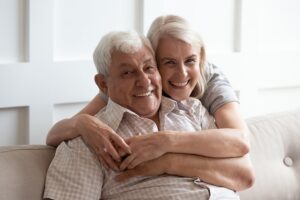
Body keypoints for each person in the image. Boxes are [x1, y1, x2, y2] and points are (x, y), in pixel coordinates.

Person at [44, 31, 253, 200]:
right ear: (103, 84)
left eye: (148, 68)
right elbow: (55, 134)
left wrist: (166, 157)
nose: (144, 82)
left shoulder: (193, 109)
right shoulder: (91, 141)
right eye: (128, 73)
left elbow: (244, 175)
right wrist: (81, 123)